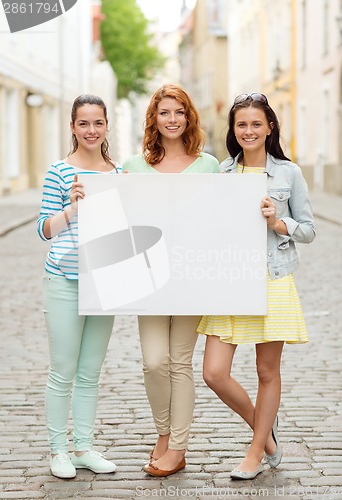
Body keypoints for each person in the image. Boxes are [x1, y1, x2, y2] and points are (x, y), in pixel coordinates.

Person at [197, 93, 316, 480]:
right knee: (214, 373)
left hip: (273, 278)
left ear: (269, 128)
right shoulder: (223, 175)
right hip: (231, 278)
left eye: (256, 124)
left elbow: (310, 230)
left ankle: (254, 453)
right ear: (233, 130)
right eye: (241, 124)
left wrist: (278, 221)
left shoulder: (289, 173)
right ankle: (265, 433)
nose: (248, 131)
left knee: (267, 371)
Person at [123, 83, 220, 477]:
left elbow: (222, 219)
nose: (173, 119)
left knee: (180, 362)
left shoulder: (209, 165)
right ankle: (163, 433)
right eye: (165, 112)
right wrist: (84, 197)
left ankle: (176, 446)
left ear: (189, 117)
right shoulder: (132, 166)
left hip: (192, 276)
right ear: (154, 118)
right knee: (153, 362)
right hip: (148, 278)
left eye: (179, 112)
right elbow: (118, 215)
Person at [37, 94, 121, 479]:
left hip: (103, 278)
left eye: (98, 123)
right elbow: (44, 230)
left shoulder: (118, 173)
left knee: (90, 371)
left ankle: (83, 447)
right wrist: (70, 207)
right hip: (65, 279)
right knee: (63, 370)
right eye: (83, 123)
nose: (91, 130)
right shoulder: (59, 171)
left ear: (107, 126)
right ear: (72, 127)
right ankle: (58, 451)